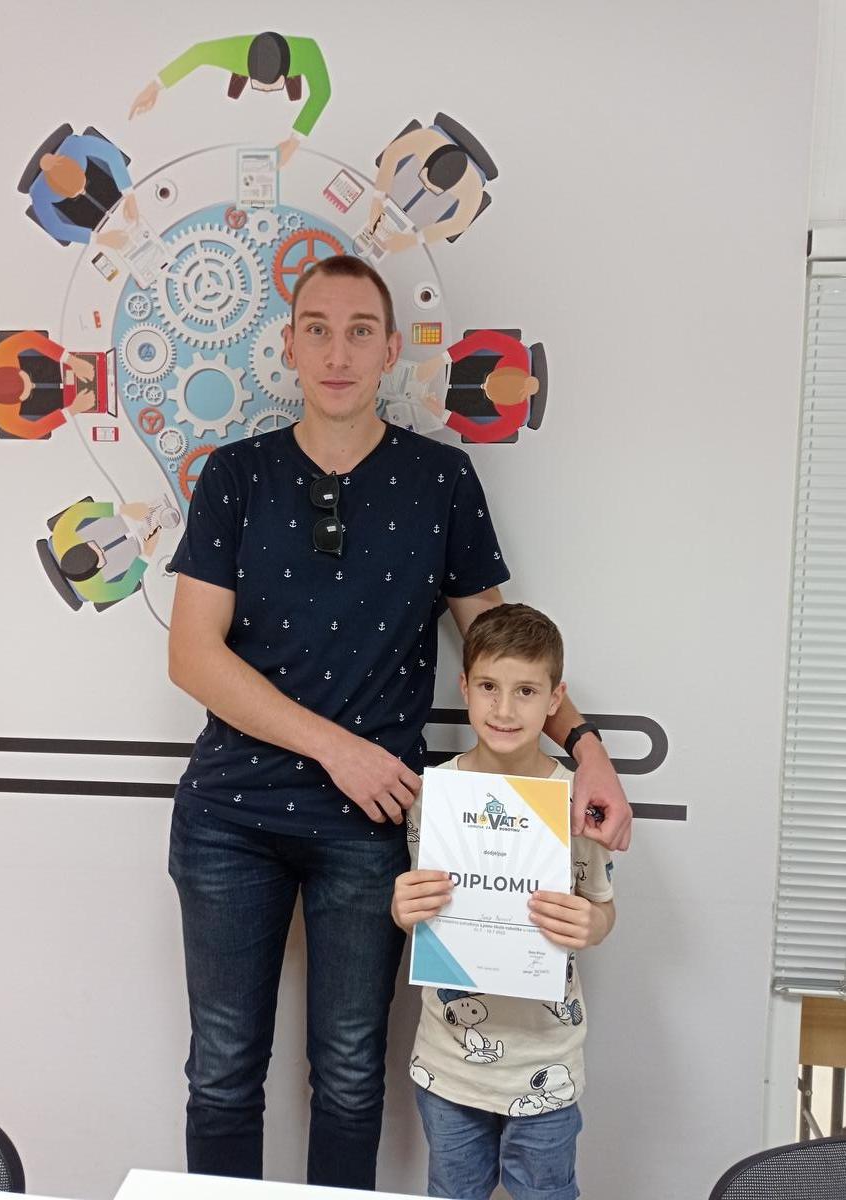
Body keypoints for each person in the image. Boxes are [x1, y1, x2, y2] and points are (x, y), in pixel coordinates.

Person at [165, 255, 630, 1188]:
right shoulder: (237, 475)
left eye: (360, 331)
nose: (338, 353)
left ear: (390, 351)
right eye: (318, 330)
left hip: (371, 829)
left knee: (348, 1076)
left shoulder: (440, 479)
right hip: (230, 820)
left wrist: (585, 745)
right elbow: (193, 658)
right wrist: (339, 749)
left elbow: (502, 643)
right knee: (222, 1073)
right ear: (290, 346)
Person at [392, 603, 616, 1200]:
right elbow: (422, 912)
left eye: (526, 691)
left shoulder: (575, 802)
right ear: (464, 687)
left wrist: (592, 924)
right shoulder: (433, 797)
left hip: (546, 1063)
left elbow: (603, 906)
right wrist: (401, 909)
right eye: (489, 687)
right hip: (448, 1063)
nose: (504, 709)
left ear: (554, 698)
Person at [129, 32, 331, 167]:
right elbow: (198, 53)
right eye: (260, 86)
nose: (266, 93)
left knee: (295, 90)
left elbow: (322, 92)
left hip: (292, 69)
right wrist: (154, 87)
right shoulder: (235, 54)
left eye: (272, 87)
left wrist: (294, 141)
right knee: (236, 86)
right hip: (243, 62)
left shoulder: (308, 52)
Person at [366, 124, 488, 253]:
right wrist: (377, 199)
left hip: (425, 214)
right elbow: (391, 153)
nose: (424, 187)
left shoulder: (473, 187)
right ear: (426, 164)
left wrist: (411, 240)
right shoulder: (425, 139)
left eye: (432, 190)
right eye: (423, 180)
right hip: (403, 182)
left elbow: (459, 224)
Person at [417, 329, 540, 444]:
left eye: (489, 393)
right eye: (488, 380)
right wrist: (438, 360)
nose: (483, 386)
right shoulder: (518, 353)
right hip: (449, 367)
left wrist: (441, 414)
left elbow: (481, 435)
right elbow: (483, 337)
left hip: (449, 404)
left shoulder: (516, 417)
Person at [29, 131, 138, 248]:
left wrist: (130, 196)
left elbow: (112, 153)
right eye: (77, 193)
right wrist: (101, 239)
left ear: (81, 169)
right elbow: (56, 228)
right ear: (60, 193)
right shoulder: (40, 195)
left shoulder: (76, 146)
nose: (83, 192)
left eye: (82, 185)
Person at [0, 331, 96, 439]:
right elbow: (33, 432)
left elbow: (30, 337)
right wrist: (73, 409)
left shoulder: (2, 353)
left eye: (29, 379)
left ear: (18, 369)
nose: (34, 385)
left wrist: (73, 361)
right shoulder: (5, 418)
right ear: (19, 400)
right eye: (29, 392)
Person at [50, 499, 162, 606]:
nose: (103, 549)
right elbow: (126, 586)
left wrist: (124, 509)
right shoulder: (96, 592)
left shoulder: (61, 533)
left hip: (124, 517)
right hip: (142, 547)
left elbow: (82, 509)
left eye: (94, 546)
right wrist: (148, 551)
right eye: (102, 556)